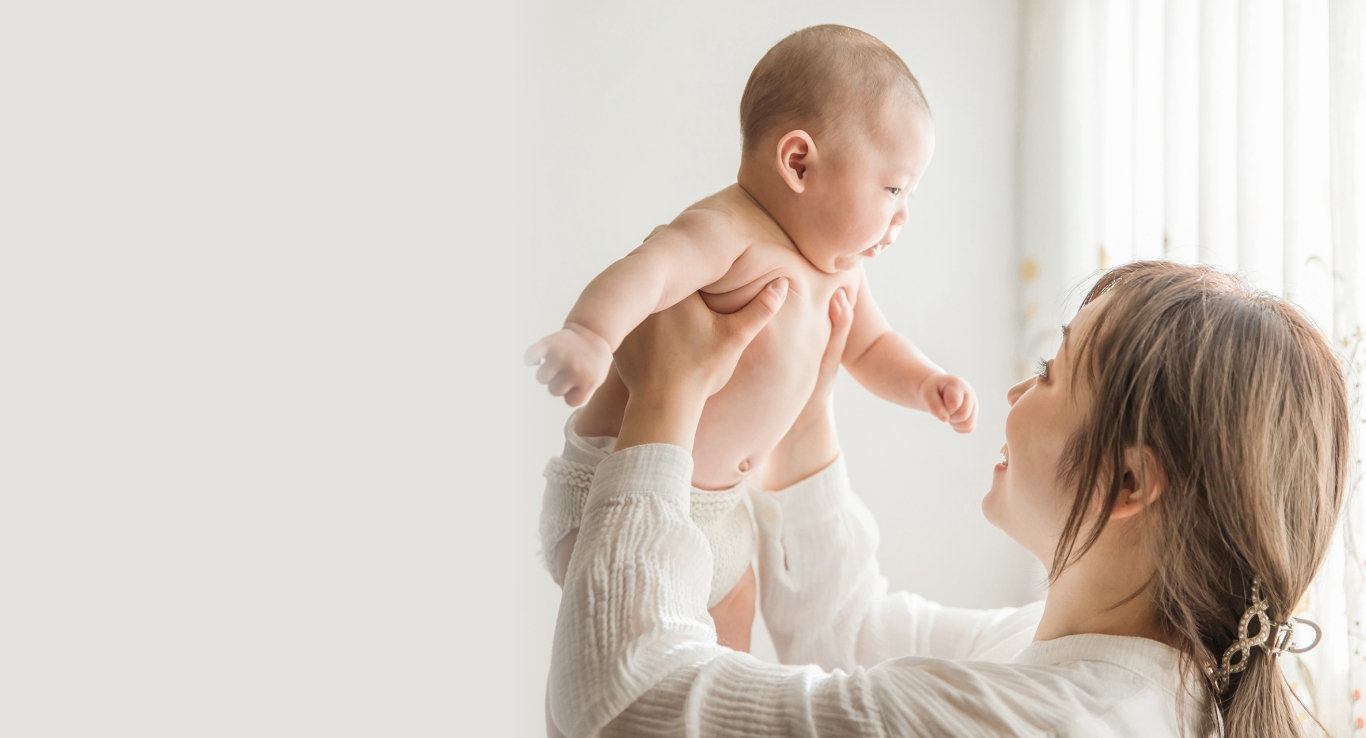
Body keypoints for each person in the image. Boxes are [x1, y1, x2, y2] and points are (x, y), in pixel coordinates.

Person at [546, 260, 1341, 737]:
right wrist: (807, 393)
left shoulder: (1036, 722)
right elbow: (848, 633)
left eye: (1051, 370)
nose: (1015, 391)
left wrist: (666, 400)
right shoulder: (1129, 678)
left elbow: (621, 706)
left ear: (1128, 483)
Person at [527, 25, 978, 650]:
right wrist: (590, 335)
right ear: (799, 162)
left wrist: (927, 381)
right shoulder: (729, 229)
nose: (903, 215)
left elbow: (872, 349)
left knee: (734, 614)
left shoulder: (841, 268)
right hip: (619, 488)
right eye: (894, 188)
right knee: (611, 642)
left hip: (720, 511)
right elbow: (650, 272)